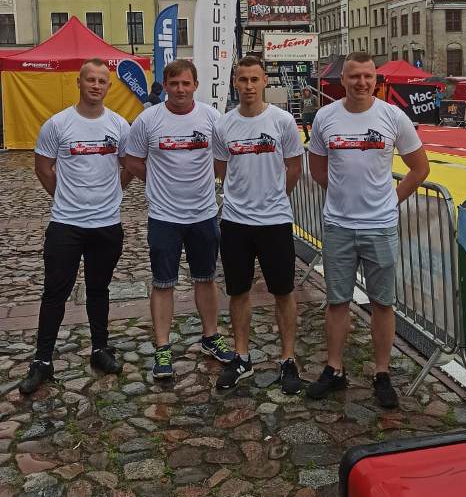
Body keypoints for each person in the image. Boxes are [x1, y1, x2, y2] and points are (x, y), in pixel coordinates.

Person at [307, 52, 430, 408]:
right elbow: (318, 169)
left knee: (382, 303)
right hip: (339, 225)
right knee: (337, 302)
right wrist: (342, 197)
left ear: (376, 80)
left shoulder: (393, 116)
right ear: (342, 80)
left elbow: (420, 168)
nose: (361, 83)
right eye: (354, 76)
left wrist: (391, 201)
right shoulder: (325, 117)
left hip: (380, 226)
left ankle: (382, 372)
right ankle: (334, 368)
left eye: (367, 76)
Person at [19, 59, 131, 395]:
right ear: (78, 83)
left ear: (108, 86)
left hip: (106, 224)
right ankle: (42, 361)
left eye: (102, 81)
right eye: (90, 80)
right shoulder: (57, 124)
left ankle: (100, 349)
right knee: (55, 292)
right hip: (66, 224)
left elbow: (128, 165)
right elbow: (43, 167)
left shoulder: (119, 125)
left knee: (99, 289)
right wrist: (65, 197)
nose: (96, 86)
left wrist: (113, 192)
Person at [124, 59, 233, 380]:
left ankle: (211, 336)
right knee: (163, 283)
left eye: (186, 83)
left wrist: (209, 181)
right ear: (165, 86)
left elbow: (222, 158)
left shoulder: (211, 118)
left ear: (195, 85)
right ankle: (162, 347)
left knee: (206, 278)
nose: (180, 89)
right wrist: (158, 181)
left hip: (203, 214)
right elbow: (132, 160)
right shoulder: (148, 120)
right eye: (174, 84)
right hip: (164, 216)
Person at [212, 55, 304, 393]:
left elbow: (294, 167)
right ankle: (241, 356)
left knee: (283, 292)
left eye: (254, 79)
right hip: (236, 222)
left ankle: (288, 358)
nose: (249, 86)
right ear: (234, 83)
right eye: (243, 80)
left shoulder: (282, 121)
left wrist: (274, 197)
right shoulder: (223, 125)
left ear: (265, 80)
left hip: (274, 221)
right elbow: (221, 170)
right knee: (238, 291)